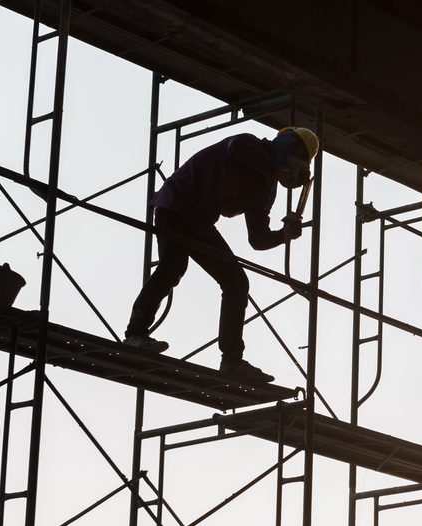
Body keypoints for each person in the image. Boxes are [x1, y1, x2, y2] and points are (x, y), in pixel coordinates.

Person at [123, 127, 318, 383]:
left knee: (236, 282)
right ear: (290, 143)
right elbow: (236, 150)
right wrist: (278, 171)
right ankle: (135, 334)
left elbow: (257, 239)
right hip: (176, 204)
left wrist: (284, 234)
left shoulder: (264, 185)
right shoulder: (250, 144)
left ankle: (232, 361)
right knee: (173, 265)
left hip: (199, 221)